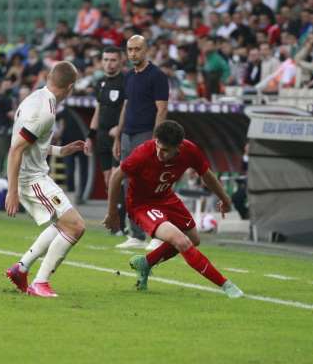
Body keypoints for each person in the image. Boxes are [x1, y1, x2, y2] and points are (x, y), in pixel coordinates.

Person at [103, 120, 244, 298]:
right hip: (142, 204)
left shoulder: (189, 150)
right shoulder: (143, 153)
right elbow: (117, 177)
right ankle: (226, 285)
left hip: (166, 198)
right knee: (181, 240)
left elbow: (206, 175)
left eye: (166, 151)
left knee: (193, 238)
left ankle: (145, 263)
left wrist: (225, 199)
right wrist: (113, 213)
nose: (160, 153)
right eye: (159, 148)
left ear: (179, 147)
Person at [5, 61, 86, 298]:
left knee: (62, 223)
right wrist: (12, 191)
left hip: (35, 174)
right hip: (31, 179)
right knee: (76, 226)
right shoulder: (46, 113)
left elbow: (33, 144)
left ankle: (20, 269)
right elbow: (16, 150)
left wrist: (61, 151)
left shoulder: (36, 98)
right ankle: (40, 282)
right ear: (70, 87)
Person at [112, 35, 169, 249]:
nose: (133, 53)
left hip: (146, 134)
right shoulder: (128, 76)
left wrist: (156, 141)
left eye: (137, 49)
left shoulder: (157, 76)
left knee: (149, 184)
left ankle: (157, 234)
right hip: (128, 134)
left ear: (146, 50)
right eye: (130, 49)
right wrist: (118, 135)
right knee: (129, 184)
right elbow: (126, 107)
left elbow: (162, 109)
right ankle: (136, 235)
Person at [84, 46, 127, 232]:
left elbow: (129, 109)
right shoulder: (100, 83)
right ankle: (115, 221)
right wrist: (90, 136)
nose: (109, 64)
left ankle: (123, 223)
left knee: (118, 181)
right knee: (109, 181)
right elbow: (98, 110)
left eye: (113, 60)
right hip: (101, 137)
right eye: (106, 60)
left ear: (120, 61)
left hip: (117, 138)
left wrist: (120, 128)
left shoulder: (125, 82)